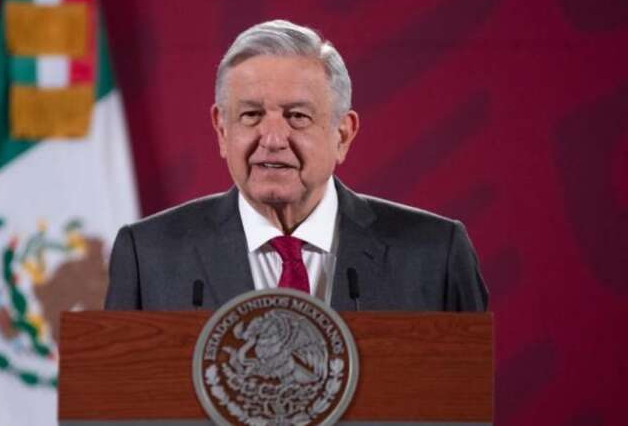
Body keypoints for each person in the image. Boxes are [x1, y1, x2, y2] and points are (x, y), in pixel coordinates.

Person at [104, 20, 488, 312]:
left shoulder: (435, 254)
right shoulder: (148, 255)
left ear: (343, 134)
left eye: (297, 116)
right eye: (251, 115)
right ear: (222, 130)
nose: (272, 138)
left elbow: (467, 392)